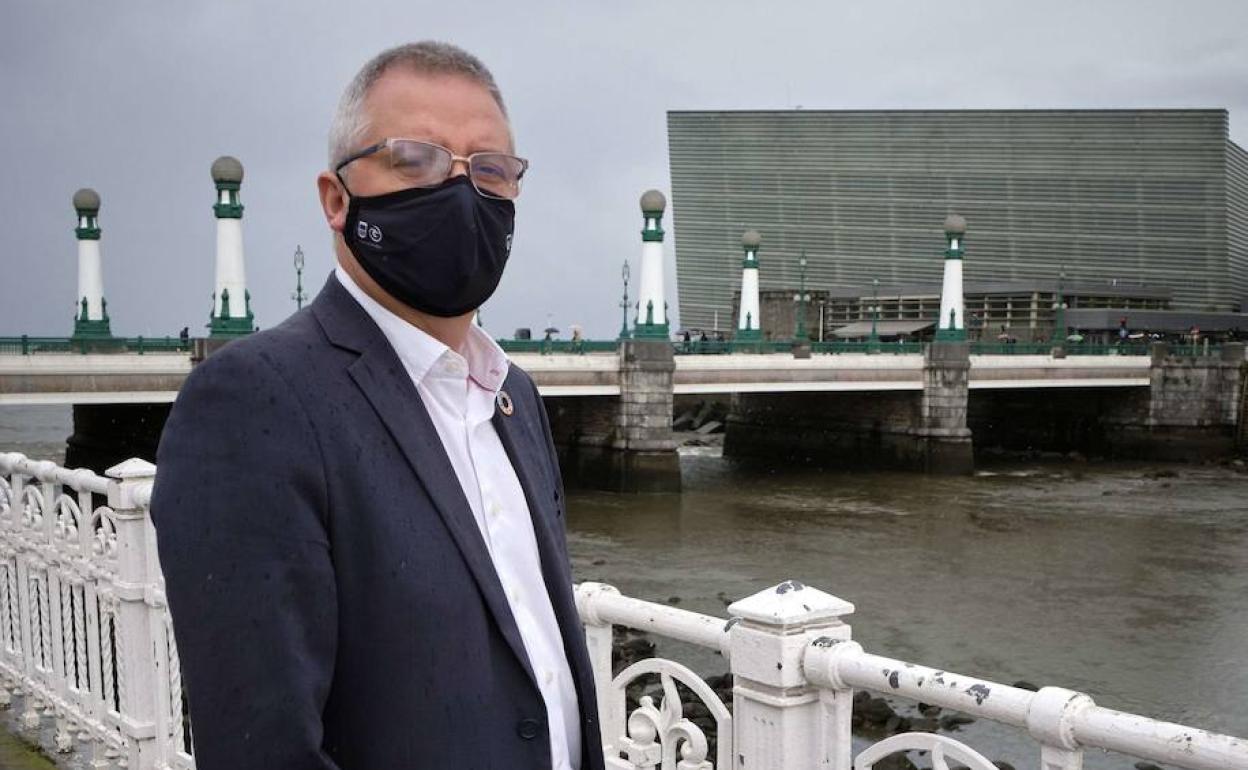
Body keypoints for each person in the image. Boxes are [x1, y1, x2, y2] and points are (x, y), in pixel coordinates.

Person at [150, 42, 603, 770]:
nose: (462, 194)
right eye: (414, 159)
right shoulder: (255, 401)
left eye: (489, 170)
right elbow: (262, 748)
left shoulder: (514, 397)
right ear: (336, 199)